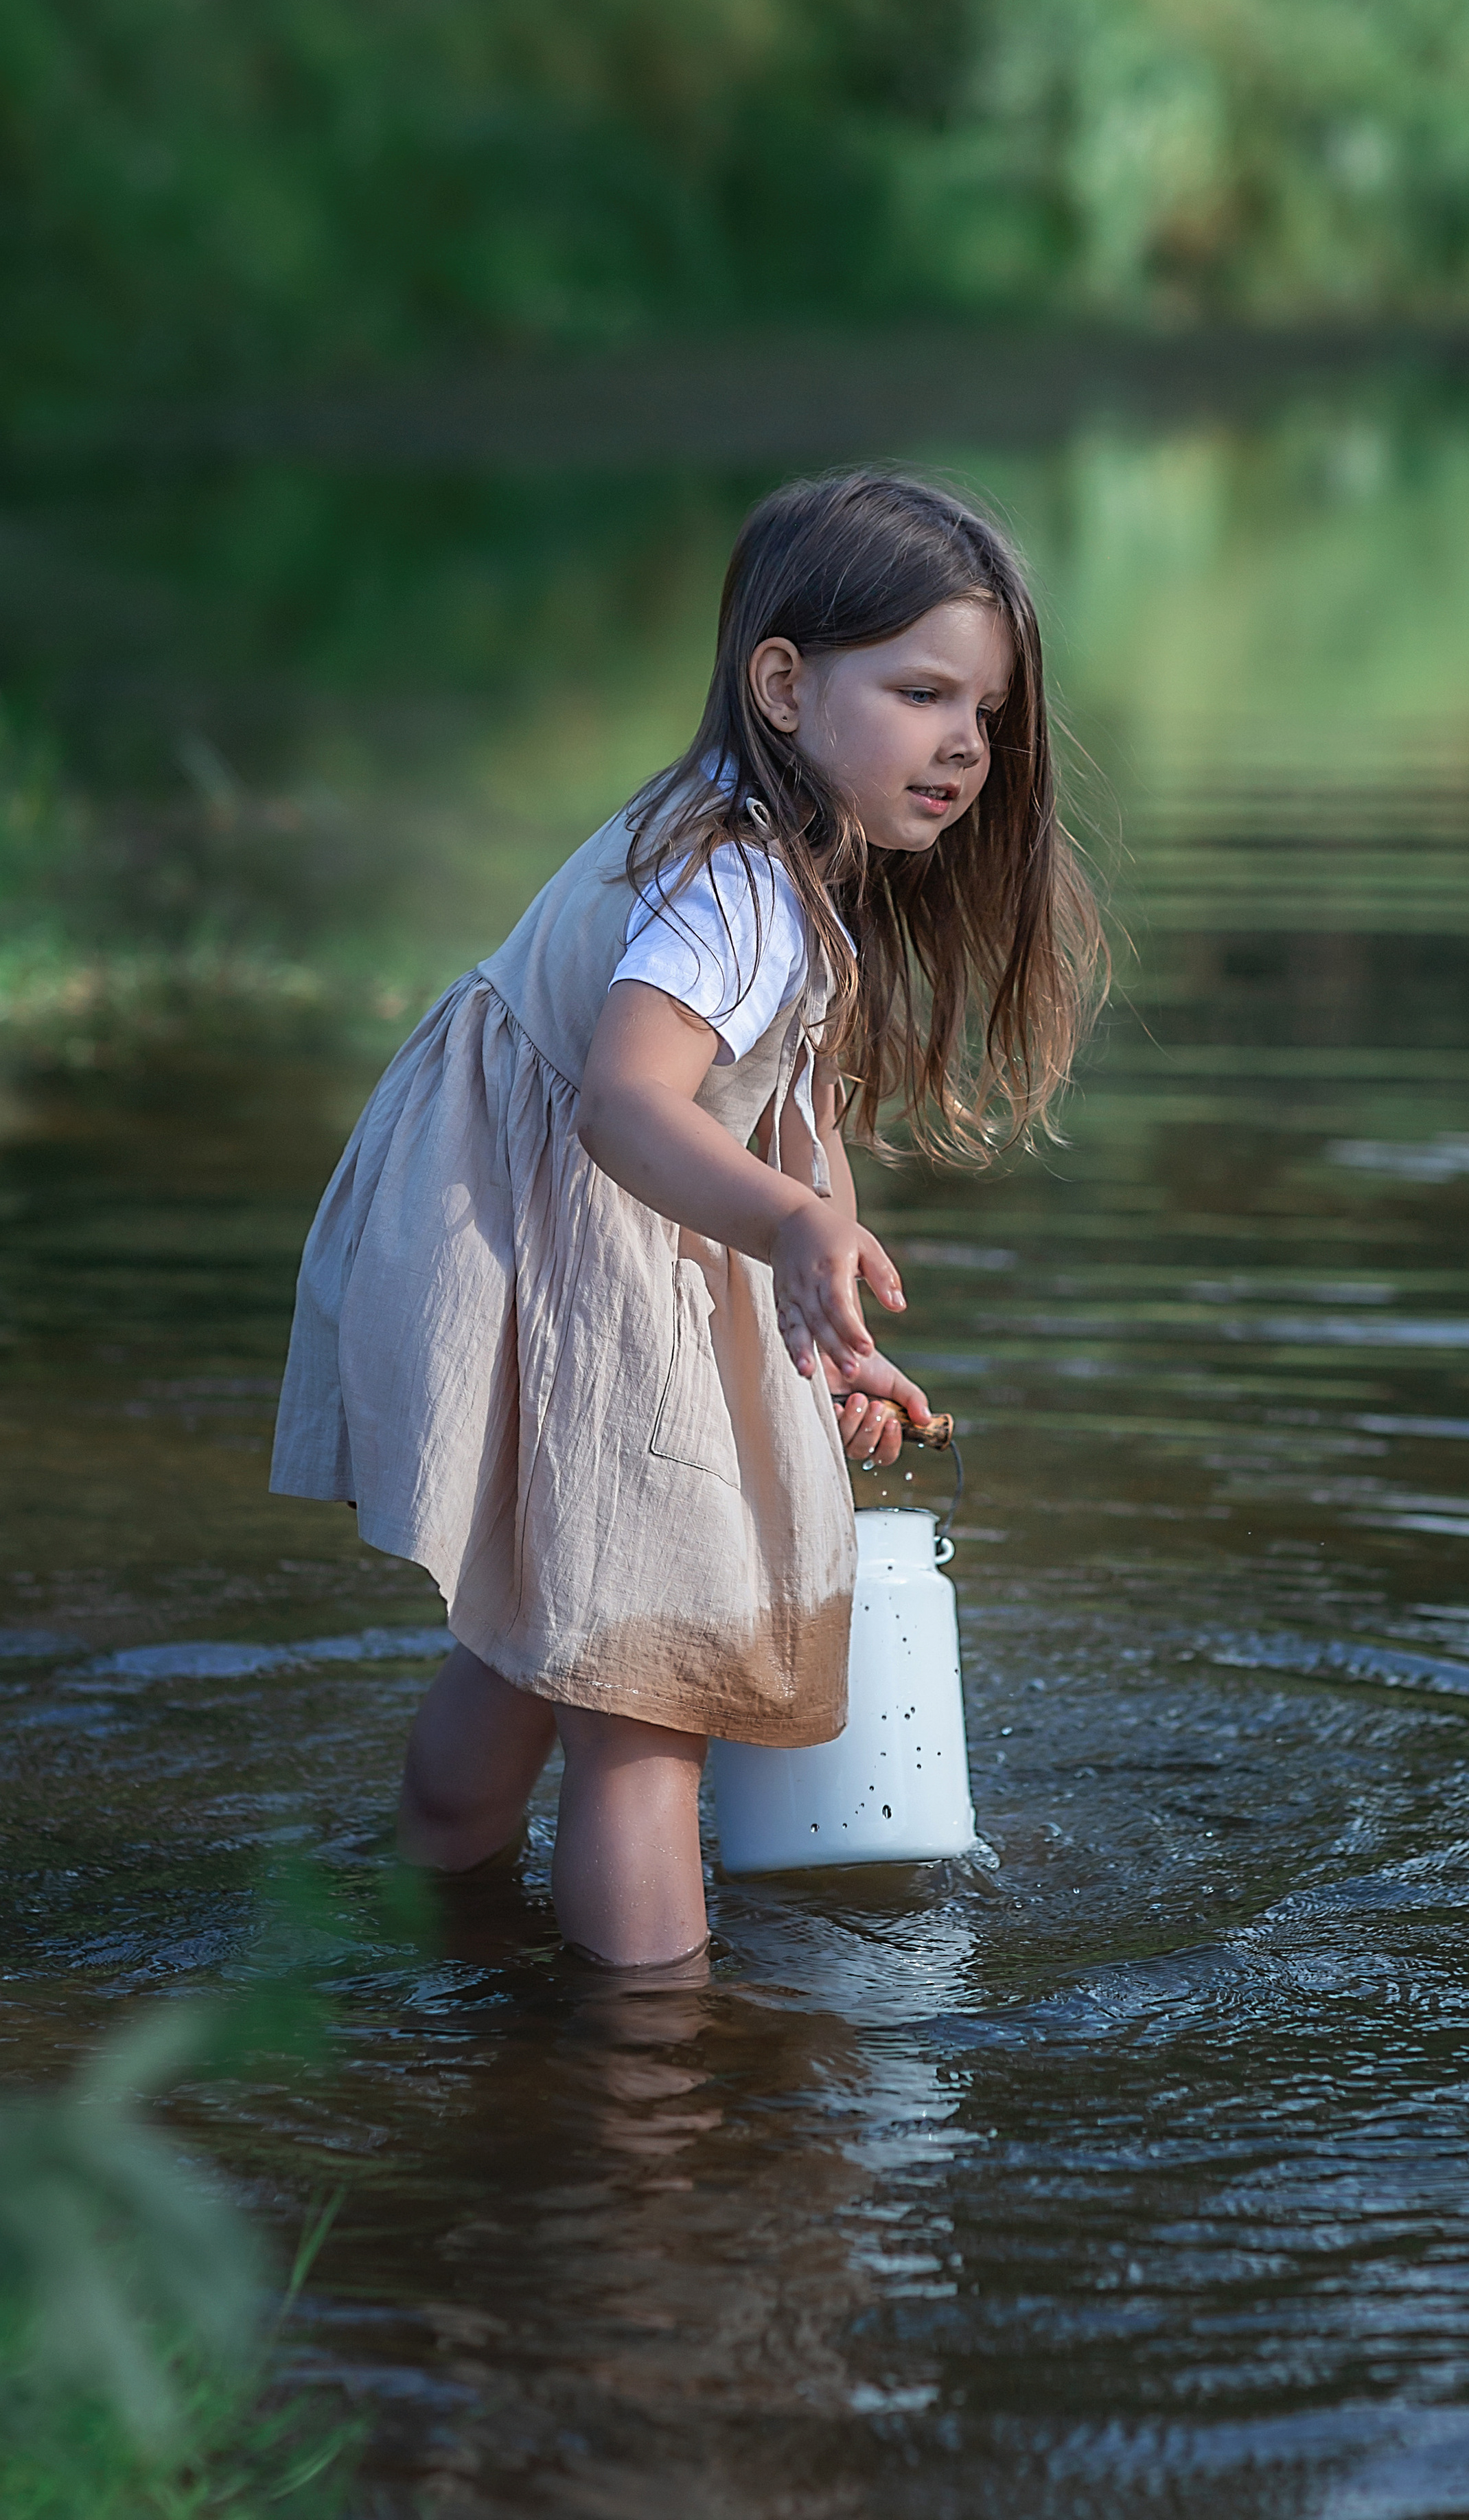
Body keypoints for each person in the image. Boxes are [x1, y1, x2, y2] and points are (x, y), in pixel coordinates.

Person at [270, 468, 1104, 1971]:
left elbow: (803, 1116)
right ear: (781, 685)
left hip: (543, 1240)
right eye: (921, 694)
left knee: (531, 1629)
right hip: (568, 1247)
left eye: (984, 712)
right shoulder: (736, 883)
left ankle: (423, 1899)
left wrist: (828, 1327)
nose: (964, 745)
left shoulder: (757, 849)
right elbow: (625, 1104)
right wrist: (790, 1228)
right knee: (646, 1713)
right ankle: (652, 2098)